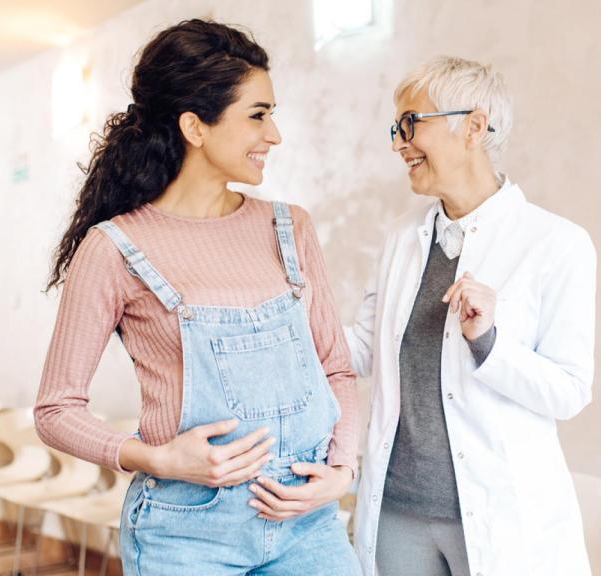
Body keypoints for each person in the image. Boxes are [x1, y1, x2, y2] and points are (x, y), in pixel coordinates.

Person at [35, 19, 360, 576]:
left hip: (307, 525)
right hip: (186, 535)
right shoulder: (113, 248)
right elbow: (55, 410)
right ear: (195, 126)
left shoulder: (291, 228)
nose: (274, 135)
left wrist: (342, 471)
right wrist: (156, 458)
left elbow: (337, 371)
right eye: (258, 115)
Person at [346, 56, 596, 576]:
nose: (399, 143)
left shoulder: (557, 244)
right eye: (397, 128)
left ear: (474, 128)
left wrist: (489, 341)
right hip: (396, 514)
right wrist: (284, 316)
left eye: (412, 124)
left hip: (500, 517)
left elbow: (569, 390)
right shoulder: (399, 239)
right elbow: (364, 349)